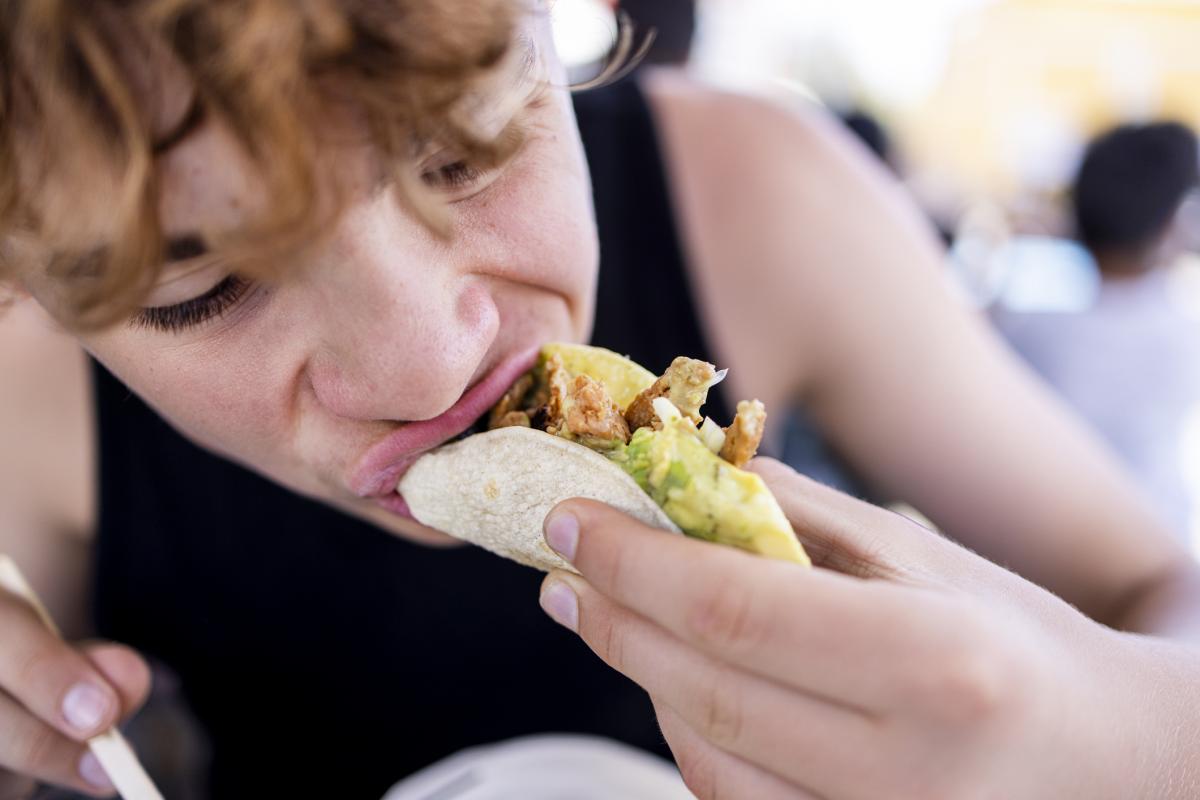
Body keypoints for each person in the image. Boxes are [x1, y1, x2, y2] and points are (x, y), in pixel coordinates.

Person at [1, 3, 1199, 799]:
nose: (427, 367)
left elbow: (1159, 583)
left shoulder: (758, 200)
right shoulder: (31, 397)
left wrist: (1130, 733)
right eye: (202, 288)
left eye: (465, 149)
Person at [995, 122, 1200, 538]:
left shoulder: (1022, 330)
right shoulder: (1183, 337)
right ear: (1171, 223)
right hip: (1159, 545)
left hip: (1039, 551)